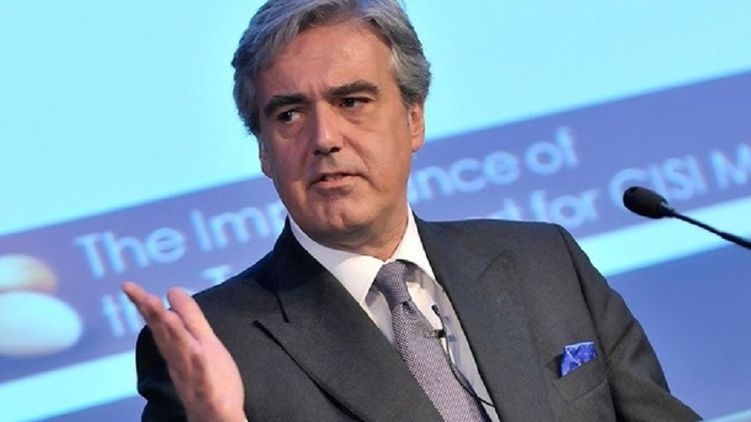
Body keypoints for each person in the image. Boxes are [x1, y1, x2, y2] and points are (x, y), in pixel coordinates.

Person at [122, 0, 701, 420]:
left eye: (353, 101)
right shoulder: (213, 346)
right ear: (264, 152)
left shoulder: (544, 262)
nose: (324, 139)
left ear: (414, 118)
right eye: (289, 115)